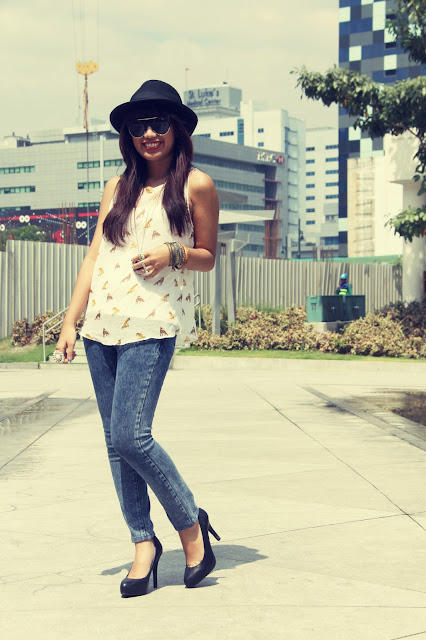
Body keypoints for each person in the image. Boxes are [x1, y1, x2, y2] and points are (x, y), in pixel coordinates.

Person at [55, 79, 220, 597]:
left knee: (131, 436)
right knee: (114, 444)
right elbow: (95, 256)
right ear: (128, 133)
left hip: (152, 322)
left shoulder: (196, 185)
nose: (149, 132)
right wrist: (71, 320)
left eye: (159, 122)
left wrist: (174, 253)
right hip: (100, 324)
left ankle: (190, 526)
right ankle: (143, 544)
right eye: (139, 124)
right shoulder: (116, 187)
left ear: (177, 129)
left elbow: (208, 256)